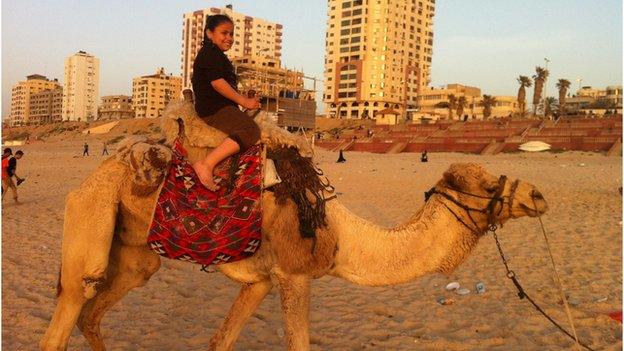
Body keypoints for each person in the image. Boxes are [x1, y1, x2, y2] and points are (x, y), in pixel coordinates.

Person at [191, 14, 261, 190]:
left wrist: (244, 98)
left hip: (221, 107)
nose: (229, 38)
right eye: (224, 33)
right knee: (250, 130)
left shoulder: (217, 56)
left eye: (231, 34)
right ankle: (206, 164)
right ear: (209, 33)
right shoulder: (209, 54)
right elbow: (218, 83)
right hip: (214, 110)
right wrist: (244, 101)